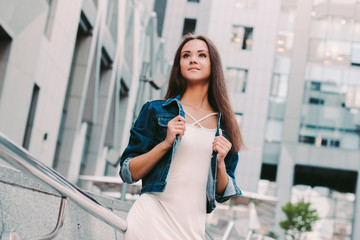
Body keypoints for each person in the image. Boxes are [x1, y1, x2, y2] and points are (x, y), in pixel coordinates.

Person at [119, 34, 245, 239]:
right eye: (186, 55)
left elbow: (224, 193)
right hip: (150, 219)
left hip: (191, 229)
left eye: (201, 55)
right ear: (179, 65)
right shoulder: (156, 110)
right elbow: (128, 172)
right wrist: (166, 144)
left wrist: (220, 163)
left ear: (213, 65)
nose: (193, 59)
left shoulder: (226, 127)